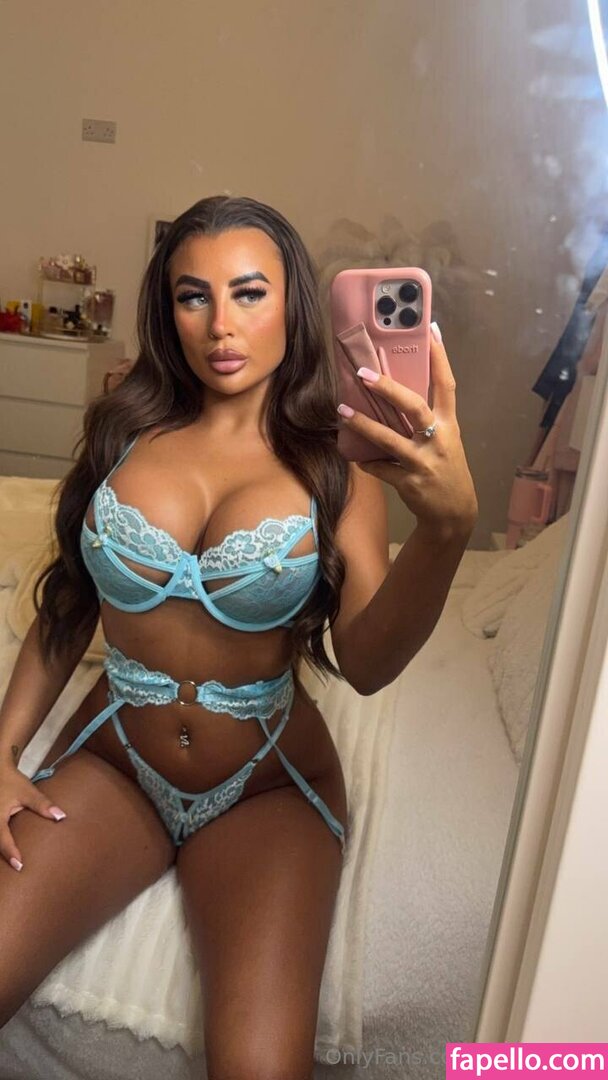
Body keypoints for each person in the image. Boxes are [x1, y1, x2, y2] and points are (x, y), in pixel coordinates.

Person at [0, 194, 477, 1078]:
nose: (221, 324)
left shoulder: (339, 464)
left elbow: (368, 663)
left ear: (294, 305)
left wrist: (446, 532)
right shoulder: (121, 431)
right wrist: (2, 751)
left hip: (267, 784)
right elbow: (69, 601)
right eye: (195, 295)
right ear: (168, 308)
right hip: (115, 762)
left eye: (249, 293)